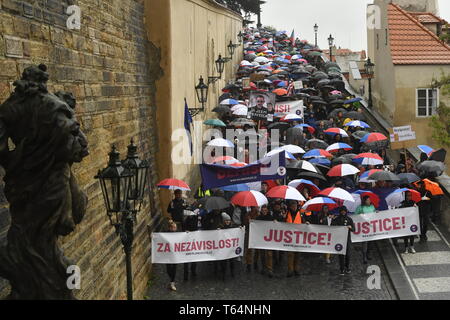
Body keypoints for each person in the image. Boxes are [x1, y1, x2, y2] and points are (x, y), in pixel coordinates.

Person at [332, 207, 355, 275]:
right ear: (340, 211)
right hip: (339, 239)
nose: (343, 212)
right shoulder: (336, 219)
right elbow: (332, 227)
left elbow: (354, 229)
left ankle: (347, 267)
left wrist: (350, 227)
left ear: (346, 211)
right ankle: (342, 269)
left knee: (348, 254)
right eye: (342, 211)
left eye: (344, 211)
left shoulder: (349, 219)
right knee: (341, 255)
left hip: (347, 239)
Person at [354, 195, 376, 264]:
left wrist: (377, 212)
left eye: (369, 200)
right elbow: (355, 216)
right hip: (364, 228)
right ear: (364, 201)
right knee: (365, 242)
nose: (369, 201)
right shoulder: (360, 208)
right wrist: (360, 215)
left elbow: (375, 214)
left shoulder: (372, 207)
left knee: (371, 242)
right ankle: (364, 256)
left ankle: (369, 254)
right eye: (367, 200)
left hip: (371, 227)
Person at [285, 200, 303, 277]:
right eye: (292, 206)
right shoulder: (286, 214)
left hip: (298, 237)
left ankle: (296, 269)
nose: (294, 207)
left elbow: (304, 223)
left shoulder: (301, 215)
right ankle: (290, 270)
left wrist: (307, 223)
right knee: (290, 254)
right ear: (290, 207)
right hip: (289, 238)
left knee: (297, 254)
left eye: (295, 206)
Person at [256, 205, 275, 278]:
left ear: (267, 211)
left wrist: (275, 222)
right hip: (261, 238)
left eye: (265, 210)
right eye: (263, 210)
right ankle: (264, 267)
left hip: (269, 238)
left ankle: (270, 269)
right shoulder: (258, 218)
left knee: (269, 254)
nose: (264, 212)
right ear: (261, 211)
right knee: (262, 254)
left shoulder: (271, 218)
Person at [182, 210, 199, 281]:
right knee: (186, 259)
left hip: (194, 240)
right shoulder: (185, 220)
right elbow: (183, 229)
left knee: (194, 257)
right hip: (187, 241)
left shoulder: (196, 219)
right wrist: (185, 231)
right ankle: (186, 274)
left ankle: (193, 271)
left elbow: (197, 227)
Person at [219, 212, 236, 280]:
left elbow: (237, 232)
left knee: (232, 261)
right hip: (224, 248)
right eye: (226, 220)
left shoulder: (233, 226)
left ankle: (232, 272)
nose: (227, 222)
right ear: (224, 221)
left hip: (230, 247)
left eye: (228, 220)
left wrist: (240, 229)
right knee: (224, 262)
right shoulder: (221, 227)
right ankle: (224, 274)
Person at [244, 206, 260, 272]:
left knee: (257, 249)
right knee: (249, 249)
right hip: (249, 233)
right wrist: (248, 221)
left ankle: (255, 262)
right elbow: (245, 224)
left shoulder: (259, 215)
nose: (255, 208)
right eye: (253, 207)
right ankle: (249, 263)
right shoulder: (247, 214)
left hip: (257, 233)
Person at [166, 221, 178, 291]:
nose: (175, 228)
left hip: (175, 254)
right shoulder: (165, 233)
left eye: (175, 227)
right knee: (168, 269)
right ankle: (171, 280)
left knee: (174, 268)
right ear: (170, 228)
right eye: (173, 227)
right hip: (167, 254)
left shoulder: (177, 234)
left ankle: (172, 282)